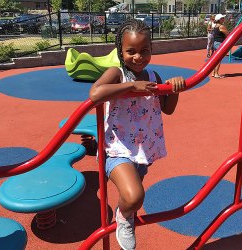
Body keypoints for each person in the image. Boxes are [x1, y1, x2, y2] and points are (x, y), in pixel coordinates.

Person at [89, 19, 185, 250]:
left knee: (133, 195)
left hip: (142, 151)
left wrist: (174, 88)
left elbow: (168, 109)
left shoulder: (154, 77)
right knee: (134, 197)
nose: (138, 57)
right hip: (116, 150)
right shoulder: (117, 73)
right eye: (131, 51)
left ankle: (127, 211)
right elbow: (95, 94)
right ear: (121, 51)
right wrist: (132, 87)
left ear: (151, 50)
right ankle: (124, 217)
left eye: (144, 51)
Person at [212, 14, 229, 78]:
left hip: (215, 43)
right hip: (219, 44)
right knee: (219, 59)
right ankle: (216, 74)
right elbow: (227, 34)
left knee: (216, 59)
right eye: (222, 18)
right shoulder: (221, 26)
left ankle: (213, 73)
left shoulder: (216, 26)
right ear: (219, 19)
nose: (224, 19)